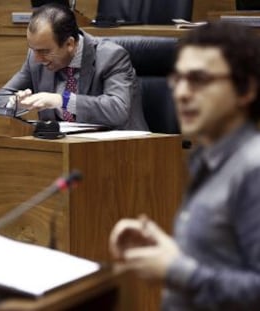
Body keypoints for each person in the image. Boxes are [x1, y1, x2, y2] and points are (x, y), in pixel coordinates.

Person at [109, 22, 260, 310]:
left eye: (199, 79)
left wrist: (175, 270)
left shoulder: (254, 169)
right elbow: (224, 262)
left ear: (246, 89)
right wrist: (168, 249)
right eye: (177, 79)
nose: (181, 93)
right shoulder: (211, 158)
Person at [0, 3, 148, 130]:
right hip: (65, 150)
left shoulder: (111, 56)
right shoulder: (35, 59)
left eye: (44, 51)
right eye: (34, 50)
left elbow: (118, 110)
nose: (38, 58)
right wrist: (14, 103)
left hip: (124, 153)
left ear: (69, 44)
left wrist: (63, 101)